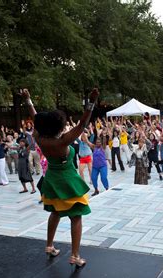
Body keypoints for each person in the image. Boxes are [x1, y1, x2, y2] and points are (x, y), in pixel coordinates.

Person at [23, 87, 97, 268]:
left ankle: (49, 245)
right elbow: (81, 125)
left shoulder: (39, 137)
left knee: (55, 213)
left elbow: (36, 118)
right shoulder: (62, 141)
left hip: (52, 180)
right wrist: (92, 103)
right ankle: (75, 255)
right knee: (76, 216)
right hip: (67, 180)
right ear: (59, 126)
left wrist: (28, 100)